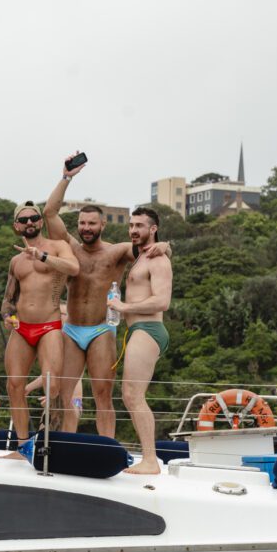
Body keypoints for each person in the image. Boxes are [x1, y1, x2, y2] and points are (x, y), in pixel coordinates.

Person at [43, 154, 171, 437]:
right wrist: (66, 177)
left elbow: (150, 247)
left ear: (102, 225)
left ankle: (106, 447)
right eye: (82, 223)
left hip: (102, 329)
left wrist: (166, 246)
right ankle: (67, 445)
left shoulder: (117, 251)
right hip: (72, 329)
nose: (86, 228)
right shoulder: (70, 249)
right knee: (65, 396)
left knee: (103, 396)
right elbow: (49, 213)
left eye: (92, 223)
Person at [1, 201, 79, 458]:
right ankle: (23, 445)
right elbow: (9, 298)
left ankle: (49, 443)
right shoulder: (15, 260)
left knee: (51, 385)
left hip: (50, 325)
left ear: (41, 221)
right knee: (14, 385)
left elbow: (74, 268)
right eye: (23, 220)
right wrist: (6, 316)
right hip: (22, 328)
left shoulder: (58, 247)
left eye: (34, 217)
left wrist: (42, 256)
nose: (29, 223)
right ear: (16, 226)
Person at [107, 206, 172, 475]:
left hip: (149, 328)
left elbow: (162, 301)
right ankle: (148, 458)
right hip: (137, 330)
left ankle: (150, 460)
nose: (133, 230)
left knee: (134, 395)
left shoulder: (157, 259)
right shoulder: (142, 256)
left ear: (153, 229)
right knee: (129, 395)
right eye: (131, 225)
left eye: (139, 226)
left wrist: (123, 307)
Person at [24, 302, 83, 430]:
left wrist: (29, 388)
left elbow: (64, 371)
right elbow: (50, 373)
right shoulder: (52, 339)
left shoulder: (74, 340)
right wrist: (28, 388)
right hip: (54, 395)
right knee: (43, 434)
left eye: (63, 314)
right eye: (58, 314)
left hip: (73, 400)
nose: (59, 317)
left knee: (67, 438)